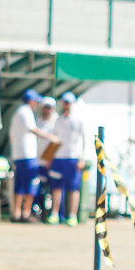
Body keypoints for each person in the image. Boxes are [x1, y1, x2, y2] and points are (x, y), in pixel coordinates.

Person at [9, 89, 57, 223]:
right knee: (31, 183)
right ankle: (26, 213)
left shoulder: (17, 113)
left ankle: (17, 213)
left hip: (18, 155)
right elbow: (33, 129)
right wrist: (50, 137)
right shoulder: (26, 112)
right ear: (31, 101)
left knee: (19, 185)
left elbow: (11, 136)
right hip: (28, 155)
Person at [47, 92, 87, 227]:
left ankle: (72, 215)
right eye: (65, 102)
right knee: (56, 187)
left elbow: (84, 139)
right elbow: (54, 139)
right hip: (58, 158)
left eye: (69, 102)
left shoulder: (78, 119)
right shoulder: (58, 120)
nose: (67, 105)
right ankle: (54, 214)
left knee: (73, 188)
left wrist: (82, 157)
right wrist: (50, 157)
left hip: (72, 157)